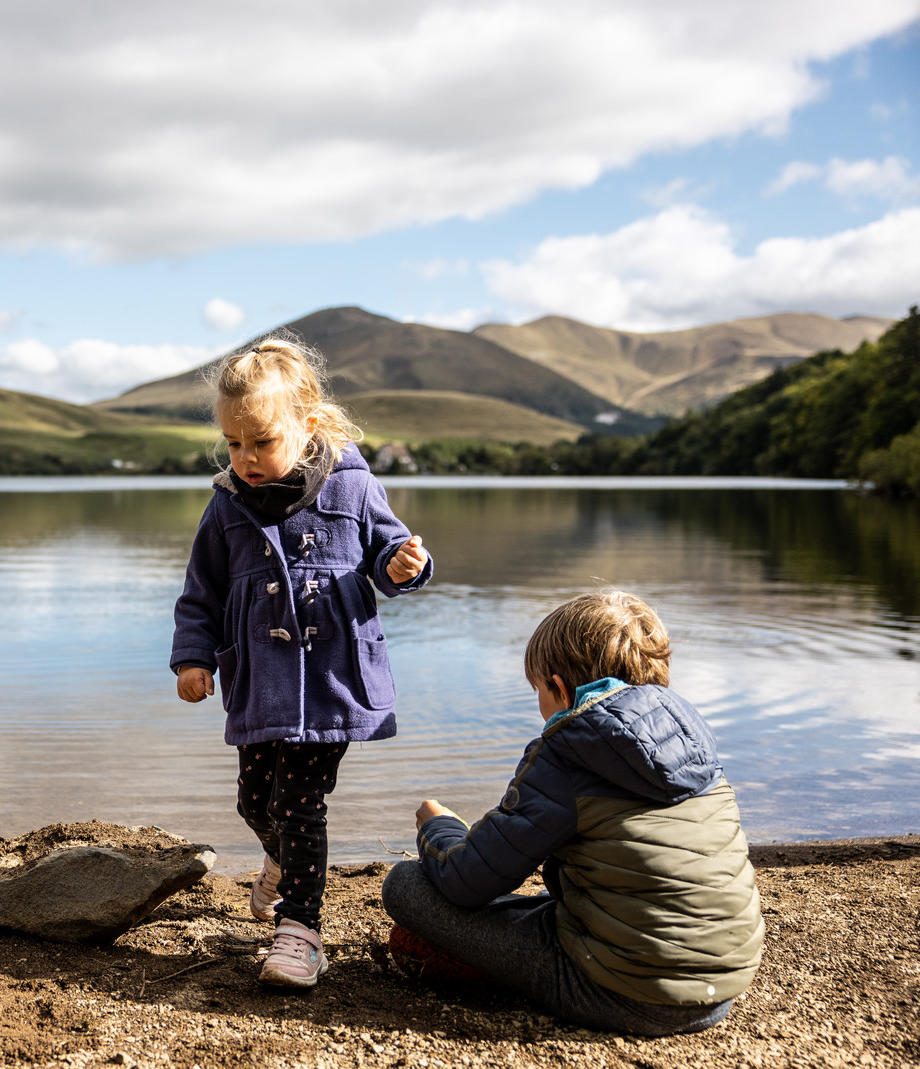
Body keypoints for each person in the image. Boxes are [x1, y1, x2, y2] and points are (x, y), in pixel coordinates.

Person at [172, 331, 432, 988]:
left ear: (307, 425)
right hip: (260, 682)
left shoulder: (353, 485)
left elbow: (389, 554)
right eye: (235, 443)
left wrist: (405, 565)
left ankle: (301, 932)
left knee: (299, 801)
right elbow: (199, 591)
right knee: (254, 801)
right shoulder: (227, 504)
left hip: (332, 679)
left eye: (262, 441)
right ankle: (279, 861)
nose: (247, 457)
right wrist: (193, 659)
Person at [381, 590, 764, 1035]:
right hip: (722, 986)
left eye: (538, 691)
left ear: (560, 689)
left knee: (405, 885)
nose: (540, 706)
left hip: (627, 993)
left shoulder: (567, 751)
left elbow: (467, 881)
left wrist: (439, 827)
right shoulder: (690, 737)